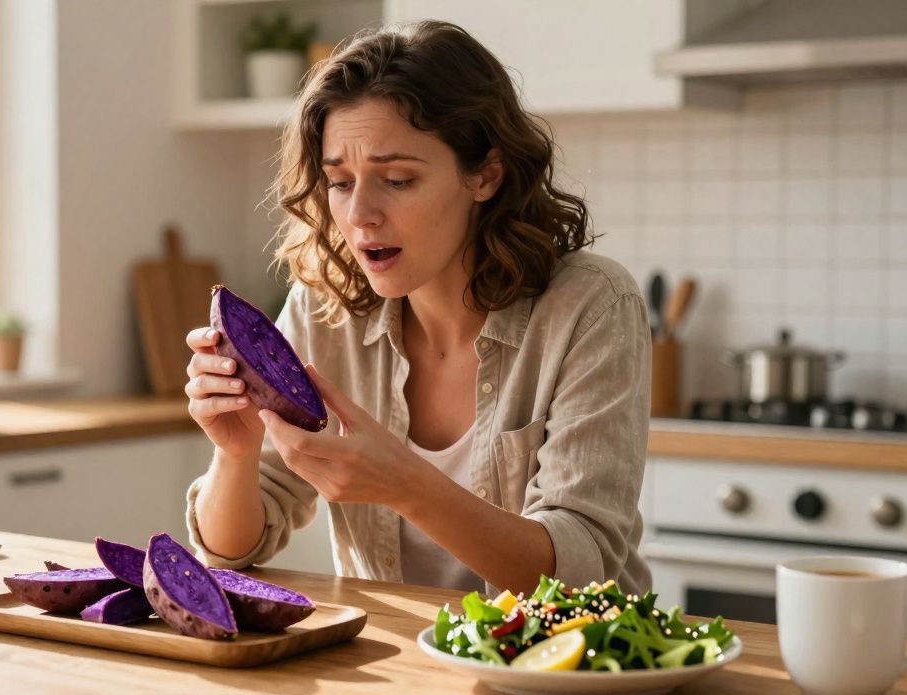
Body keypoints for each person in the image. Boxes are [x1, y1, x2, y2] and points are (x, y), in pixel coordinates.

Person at [182, 20, 651, 596]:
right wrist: (235, 453)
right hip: (398, 673)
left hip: (569, 667)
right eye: (339, 181)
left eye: (397, 179)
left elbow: (584, 566)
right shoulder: (324, 308)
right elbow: (232, 550)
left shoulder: (592, 306)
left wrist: (406, 485)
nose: (359, 215)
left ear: (484, 175)